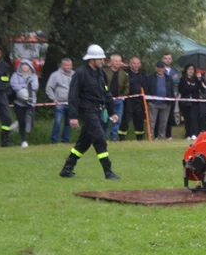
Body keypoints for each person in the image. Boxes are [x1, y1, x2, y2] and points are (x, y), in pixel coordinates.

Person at [59, 44, 119, 180]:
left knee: (84, 142)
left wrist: (112, 111)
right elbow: (73, 96)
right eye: (100, 58)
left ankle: (67, 168)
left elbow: (106, 93)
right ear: (92, 59)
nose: (103, 61)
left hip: (98, 111)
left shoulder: (100, 73)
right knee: (100, 139)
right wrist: (73, 116)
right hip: (87, 111)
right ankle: (108, 171)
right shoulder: (80, 74)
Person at [9, 59, 38, 147]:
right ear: (20, 66)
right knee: (22, 122)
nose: (24, 67)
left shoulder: (33, 76)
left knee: (30, 121)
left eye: (26, 65)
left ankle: (14, 126)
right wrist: (24, 88)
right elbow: (14, 85)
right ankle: (24, 140)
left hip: (30, 101)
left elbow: (35, 86)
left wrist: (25, 88)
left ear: (29, 67)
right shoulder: (15, 75)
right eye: (23, 65)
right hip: (19, 102)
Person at [46, 57, 75, 144]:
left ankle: (65, 141)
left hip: (71, 103)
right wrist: (54, 99)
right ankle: (54, 141)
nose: (68, 67)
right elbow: (49, 87)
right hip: (59, 103)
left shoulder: (75, 75)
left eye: (70, 65)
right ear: (62, 66)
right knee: (57, 123)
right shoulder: (55, 75)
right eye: (66, 65)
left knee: (68, 123)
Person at [145, 61, 175, 140]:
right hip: (153, 103)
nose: (160, 69)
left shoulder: (169, 79)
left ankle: (161, 137)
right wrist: (149, 101)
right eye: (158, 67)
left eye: (162, 67)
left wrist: (171, 102)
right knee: (152, 122)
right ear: (156, 68)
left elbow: (172, 91)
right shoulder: (150, 78)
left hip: (166, 104)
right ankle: (150, 137)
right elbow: (146, 89)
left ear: (164, 68)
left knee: (163, 122)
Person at [120, 57, 148, 140]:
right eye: (134, 63)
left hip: (140, 100)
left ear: (140, 64)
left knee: (139, 119)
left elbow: (146, 87)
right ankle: (122, 136)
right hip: (129, 100)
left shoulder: (143, 75)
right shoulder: (126, 74)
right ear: (130, 64)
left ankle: (140, 137)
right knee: (126, 118)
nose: (136, 65)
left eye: (137, 63)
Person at [178, 64, 203, 140]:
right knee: (187, 118)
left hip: (194, 102)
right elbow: (182, 90)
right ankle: (188, 134)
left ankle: (194, 134)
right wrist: (192, 88)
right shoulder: (183, 79)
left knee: (193, 117)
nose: (191, 71)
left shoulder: (196, 79)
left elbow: (199, 88)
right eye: (189, 69)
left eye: (192, 69)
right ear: (186, 70)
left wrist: (199, 80)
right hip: (185, 102)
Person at [161, 53, 179, 138]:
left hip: (172, 96)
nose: (167, 60)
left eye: (169, 58)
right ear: (162, 59)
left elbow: (177, 81)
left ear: (171, 60)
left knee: (169, 116)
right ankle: (159, 135)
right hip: (161, 96)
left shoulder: (175, 71)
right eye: (165, 58)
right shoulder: (160, 70)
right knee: (160, 117)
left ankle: (168, 135)